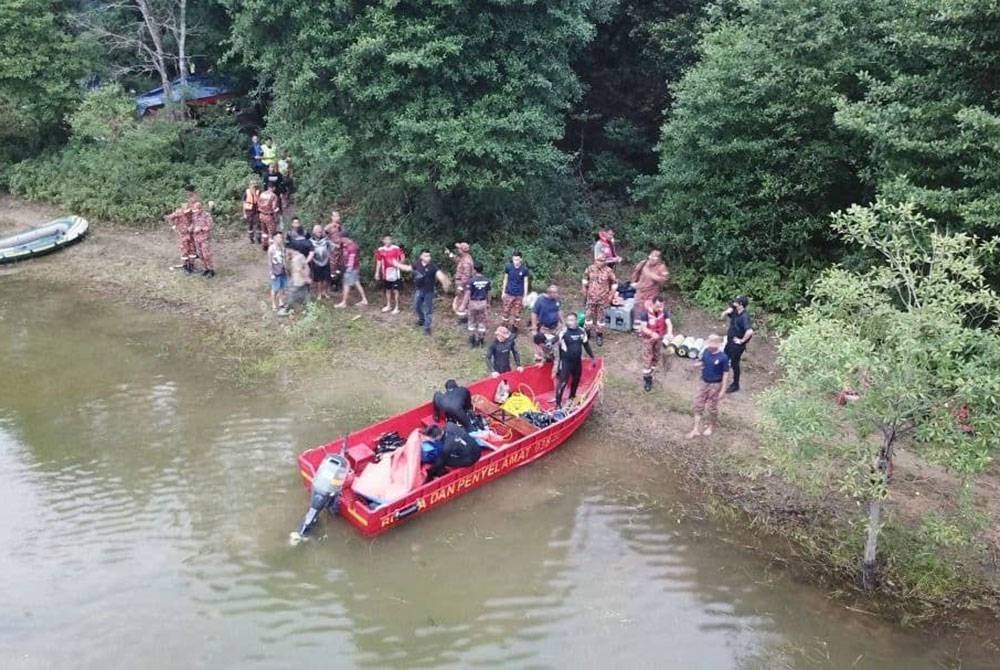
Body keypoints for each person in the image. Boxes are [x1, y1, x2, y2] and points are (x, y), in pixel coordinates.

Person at [396, 249, 450, 336]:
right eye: (425, 256)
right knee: (416, 307)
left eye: (429, 256)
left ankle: (427, 328)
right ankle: (422, 320)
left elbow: (440, 275)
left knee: (427, 311)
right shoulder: (417, 264)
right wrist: (397, 264)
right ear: (421, 256)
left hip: (429, 292)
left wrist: (445, 282)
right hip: (419, 290)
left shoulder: (433, 266)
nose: (428, 258)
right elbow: (407, 268)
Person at [688, 334, 731, 438]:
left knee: (712, 407)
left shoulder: (723, 358)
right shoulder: (706, 352)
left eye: (714, 342)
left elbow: (726, 374)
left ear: (719, 344)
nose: (711, 345)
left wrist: (723, 389)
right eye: (709, 342)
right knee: (698, 404)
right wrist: (696, 365)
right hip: (704, 382)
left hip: (715, 385)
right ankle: (695, 429)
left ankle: (712, 426)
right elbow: (703, 362)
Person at [553, 313, 596, 408]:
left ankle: (572, 397)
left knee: (576, 379)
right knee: (563, 382)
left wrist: (592, 357)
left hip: (577, 362)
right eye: (568, 320)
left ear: (576, 321)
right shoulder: (564, 332)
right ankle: (558, 404)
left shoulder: (581, 331)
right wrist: (549, 342)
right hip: (566, 362)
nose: (570, 322)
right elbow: (555, 339)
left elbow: (586, 345)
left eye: (572, 320)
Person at [638, 295, 673, 392]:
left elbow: (669, 323)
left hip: (659, 338)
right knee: (648, 358)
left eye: (661, 306)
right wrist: (652, 333)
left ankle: (652, 372)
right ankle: (647, 379)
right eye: (658, 306)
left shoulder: (663, 312)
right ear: (652, 304)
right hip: (648, 340)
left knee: (656, 356)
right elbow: (643, 328)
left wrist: (669, 333)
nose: (660, 308)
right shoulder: (645, 314)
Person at [581, 254, 618, 347]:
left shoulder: (609, 271)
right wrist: (584, 290)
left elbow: (614, 284)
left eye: (602, 260)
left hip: (603, 298)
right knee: (588, 315)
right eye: (598, 260)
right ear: (595, 260)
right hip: (591, 298)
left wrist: (611, 295)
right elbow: (584, 281)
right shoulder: (589, 269)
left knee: (601, 318)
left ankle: (599, 334)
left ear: (605, 261)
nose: (600, 262)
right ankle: (587, 332)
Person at [721, 296, 754, 393]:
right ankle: (720, 377)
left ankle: (735, 384)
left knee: (735, 364)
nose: (734, 303)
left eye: (736, 302)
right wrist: (726, 312)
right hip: (730, 341)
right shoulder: (736, 310)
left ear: (741, 305)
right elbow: (731, 307)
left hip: (737, 345)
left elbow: (750, 331)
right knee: (724, 357)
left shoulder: (745, 317)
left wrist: (741, 340)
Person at [631, 249, 670, 317]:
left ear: (659, 259)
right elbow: (636, 272)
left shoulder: (661, 267)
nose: (651, 259)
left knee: (650, 309)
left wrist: (650, 274)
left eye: (654, 258)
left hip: (652, 293)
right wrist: (634, 282)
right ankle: (637, 325)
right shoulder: (644, 263)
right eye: (650, 257)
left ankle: (650, 324)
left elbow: (664, 280)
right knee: (638, 308)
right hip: (640, 291)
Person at [334, 232, 369, 308]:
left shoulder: (352, 247)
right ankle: (364, 299)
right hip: (354, 268)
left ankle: (344, 303)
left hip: (351, 269)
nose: (340, 240)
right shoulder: (346, 245)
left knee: (346, 284)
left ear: (344, 238)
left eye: (340, 238)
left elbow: (351, 260)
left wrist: (348, 270)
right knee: (357, 283)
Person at [531, 284, 563, 363]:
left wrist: (562, 322)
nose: (557, 295)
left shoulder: (556, 300)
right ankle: (544, 356)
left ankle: (553, 356)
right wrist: (534, 327)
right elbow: (534, 313)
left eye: (557, 293)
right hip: (545, 328)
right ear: (550, 293)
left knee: (557, 342)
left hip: (555, 327)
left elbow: (558, 310)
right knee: (541, 342)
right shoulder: (540, 300)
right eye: (555, 293)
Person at [374, 235, 405, 314]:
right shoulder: (380, 250)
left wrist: (399, 265)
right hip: (386, 273)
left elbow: (402, 257)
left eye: (389, 239)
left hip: (395, 273)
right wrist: (377, 272)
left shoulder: (396, 248)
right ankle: (388, 305)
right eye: (386, 239)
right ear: (383, 240)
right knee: (387, 290)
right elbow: (379, 262)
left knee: (396, 290)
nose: (388, 241)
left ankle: (397, 307)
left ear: (392, 240)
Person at [500, 251, 530, 333]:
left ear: (521, 259)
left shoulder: (524, 269)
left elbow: (526, 282)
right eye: (514, 259)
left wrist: (525, 295)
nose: (515, 261)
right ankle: (504, 326)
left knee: (517, 313)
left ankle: (515, 327)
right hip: (509, 293)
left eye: (517, 259)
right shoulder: (508, 267)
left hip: (519, 294)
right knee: (506, 311)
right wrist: (503, 292)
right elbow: (505, 279)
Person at [166, 196, 197, 274]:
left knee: (192, 250)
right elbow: (169, 217)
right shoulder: (179, 212)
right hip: (183, 234)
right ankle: (185, 267)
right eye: (184, 204)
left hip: (191, 234)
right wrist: (173, 226)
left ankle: (191, 266)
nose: (186, 205)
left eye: (187, 204)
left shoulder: (192, 212)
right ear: (181, 205)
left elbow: (196, 220)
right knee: (184, 250)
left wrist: (192, 226)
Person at [466, 262, 491, 347]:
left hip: (473, 302)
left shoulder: (471, 281)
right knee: (482, 322)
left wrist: (465, 304)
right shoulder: (487, 280)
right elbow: (488, 293)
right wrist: (488, 303)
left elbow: (468, 293)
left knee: (471, 321)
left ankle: (472, 341)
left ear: (474, 270)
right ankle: (481, 341)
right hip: (483, 302)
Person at [447, 242, 475, 319]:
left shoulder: (467, 262)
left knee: (462, 301)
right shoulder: (465, 257)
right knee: (461, 300)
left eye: (459, 248)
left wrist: (460, 287)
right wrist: (450, 254)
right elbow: (458, 260)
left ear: (462, 250)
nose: (458, 250)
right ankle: (463, 317)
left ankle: (463, 319)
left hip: (463, 284)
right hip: (462, 283)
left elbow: (466, 276)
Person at [190, 200, 215, 278]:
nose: (194, 211)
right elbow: (193, 224)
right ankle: (205, 268)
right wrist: (191, 227)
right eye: (194, 210)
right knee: (200, 255)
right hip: (196, 238)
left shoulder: (206, 215)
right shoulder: (194, 216)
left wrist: (200, 228)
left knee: (206, 255)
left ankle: (211, 270)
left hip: (204, 238)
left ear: (200, 209)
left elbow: (210, 226)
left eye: (196, 210)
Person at [307, 224, 333, 300]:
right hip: (316, 262)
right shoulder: (310, 241)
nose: (320, 232)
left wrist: (329, 255)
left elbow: (331, 247)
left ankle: (324, 292)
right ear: (314, 232)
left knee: (326, 278)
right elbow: (308, 250)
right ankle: (319, 293)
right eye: (318, 231)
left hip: (326, 261)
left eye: (320, 231)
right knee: (318, 279)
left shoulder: (326, 240)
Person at [286, 242, 312, 310]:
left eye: (287, 249)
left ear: (291, 249)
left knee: (293, 293)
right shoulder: (301, 255)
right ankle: (308, 305)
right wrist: (307, 276)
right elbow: (306, 266)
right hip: (303, 277)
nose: (286, 251)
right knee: (305, 292)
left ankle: (288, 307)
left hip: (298, 278)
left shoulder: (295, 259)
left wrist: (306, 278)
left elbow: (299, 270)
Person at [268, 231, 288, 314]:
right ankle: (273, 304)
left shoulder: (282, 247)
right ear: (275, 238)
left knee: (282, 288)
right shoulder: (271, 249)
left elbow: (284, 259)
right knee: (275, 289)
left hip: (283, 271)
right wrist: (271, 273)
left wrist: (286, 268)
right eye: (279, 237)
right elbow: (269, 262)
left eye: (281, 237)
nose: (281, 239)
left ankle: (281, 302)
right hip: (275, 272)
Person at [257, 183, 280, 251]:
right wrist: (277, 213)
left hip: (261, 215)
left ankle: (264, 245)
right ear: (273, 188)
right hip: (269, 216)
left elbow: (258, 203)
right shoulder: (273, 196)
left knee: (264, 231)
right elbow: (274, 208)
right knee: (271, 232)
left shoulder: (262, 194)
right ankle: (271, 247)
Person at [242, 180, 260, 245]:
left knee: (258, 223)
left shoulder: (258, 192)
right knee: (250, 225)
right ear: (249, 185)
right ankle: (251, 238)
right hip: (249, 210)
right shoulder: (246, 192)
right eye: (252, 185)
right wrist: (244, 213)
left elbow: (259, 201)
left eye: (255, 185)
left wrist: (255, 194)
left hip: (256, 210)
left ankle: (258, 238)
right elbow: (243, 203)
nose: (253, 186)